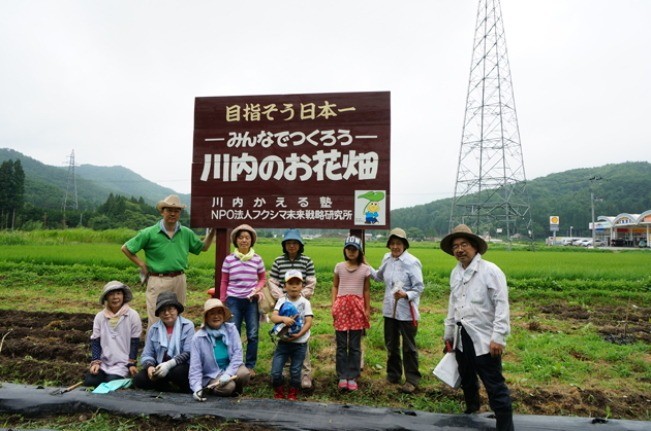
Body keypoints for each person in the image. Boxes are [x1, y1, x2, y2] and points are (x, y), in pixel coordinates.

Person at [440, 224, 514, 431]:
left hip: (484, 338)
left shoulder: (490, 271)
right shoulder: (456, 273)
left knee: (494, 385)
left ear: (475, 247)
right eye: (455, 246)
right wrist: (448, 334)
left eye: (464, 244)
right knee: (467, 379)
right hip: (462, 336)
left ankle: (505, 427)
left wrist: (498, 337)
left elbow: (502, 304)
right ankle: (471, 414)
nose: (459, 249)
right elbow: (452, 305)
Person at [121, 194, 215, 326]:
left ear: (180, 213)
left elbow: (203, 247)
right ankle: (156, 346)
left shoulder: (186, 233)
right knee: (156, 318)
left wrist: (213, 231)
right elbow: (126, 248)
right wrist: (142, 264)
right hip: (158, 279)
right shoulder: (149, 233)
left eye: (176, 211)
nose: (173, 214)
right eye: (169, 210)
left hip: (179, 279)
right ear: (162, 211)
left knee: (178, 317)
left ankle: (176, 346)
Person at [370, 227, 424, 394]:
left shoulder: (412, 262)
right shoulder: (387, 259)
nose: (395, 247)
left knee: (408, 347)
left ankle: (412, 379)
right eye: (392, 243)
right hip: (389, 310)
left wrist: (406, 294)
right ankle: (393, 375)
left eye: (398, 243)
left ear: (404, 245)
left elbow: (419, 287)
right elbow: (379, 276)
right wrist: (365, 266)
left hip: (406, 312)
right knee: (391, 344)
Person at [267, 228, 317, 389]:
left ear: (300, 245)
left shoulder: (307, 260)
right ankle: (286, 371)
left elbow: (312, 281)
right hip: (283, 303)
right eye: (288, 243)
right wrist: (283, 296)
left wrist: (300, 294)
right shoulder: (278, 261)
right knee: (285, 334)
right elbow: (272, 281)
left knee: (301, 336)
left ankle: (305, 374)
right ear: (284, 245)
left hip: (301, 303)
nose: (292, 246)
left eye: (295, 243)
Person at [220, 224, 266, 377]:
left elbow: (262, 279)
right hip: (233, 299)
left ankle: (250, 365)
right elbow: (224, 281)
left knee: (253, 333)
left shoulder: (257, 259)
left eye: (247, 237)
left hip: (251, 300)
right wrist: (222, 300)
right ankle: (235, 363)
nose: (244, 240)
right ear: (236, 240)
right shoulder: (229, 260)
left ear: (251, 240)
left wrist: (257, 289)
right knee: (234, 332)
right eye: (241, 238)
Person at [189, 298, 251, 400]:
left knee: (244, 374)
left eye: (219, 312)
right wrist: (196, 388)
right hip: (213, 375)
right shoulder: (198, 338)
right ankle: (216, 390)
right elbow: (195, 367)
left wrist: (228, 374)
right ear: (206, 317)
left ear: (223, 315)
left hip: (231, 369)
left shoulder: (231, 330)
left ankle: (237, 392)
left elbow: (237, 354)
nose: (216, 316)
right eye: (212, 313)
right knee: (228, 387)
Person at [133, 291, 194, 393]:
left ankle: (177, 387)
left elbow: (188, 352)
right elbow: (147, 354)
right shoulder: (154, 329)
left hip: (180, 366)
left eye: (170, 309)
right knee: (139, 379)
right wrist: (150, 367)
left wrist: (168, 365)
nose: (166, 313)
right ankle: (166, 387)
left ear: (177, 310)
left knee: (177, 373)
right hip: (159, 366)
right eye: (163, 310)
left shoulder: (188, 326)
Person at [83, 281, 142, 387]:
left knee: (111, 383)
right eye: (111, 294)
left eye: (118, 293)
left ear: (123, 296)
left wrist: (131, 364)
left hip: (122, 363)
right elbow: (96, 341)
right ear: (106, 297)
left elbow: (135, 342)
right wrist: (96, 362)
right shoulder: (100, 317)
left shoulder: (132, 316)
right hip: (104, 363)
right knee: (90, 382)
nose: (115, 297)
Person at [332, 236, 371, 391]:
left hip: (357, 308)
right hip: (341, 307)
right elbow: (335, 286)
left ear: (359, 251)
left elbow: (366, 290)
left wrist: (367, 309)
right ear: (345, 250)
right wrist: (334, 304)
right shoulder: (339, 267)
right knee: (341, 345)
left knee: (355, 345)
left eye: (354, 249)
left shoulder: (365, 269)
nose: (351, 251)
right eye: (349, 248)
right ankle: (342, 375)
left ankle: (353, 376)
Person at [270, 270, 314, 401]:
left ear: (302, 286)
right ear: (285, 286)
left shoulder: (305, 302)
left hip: (300, 344)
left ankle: (293, 392)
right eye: (290, 283)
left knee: (296, 371)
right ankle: (279, 390)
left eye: (297, 283)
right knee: (276, 371)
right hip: (283, 343)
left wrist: (299, 334)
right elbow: (273, 317)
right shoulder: (281, 300)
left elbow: (308, 322)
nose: (294, 286)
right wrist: (283, 319)